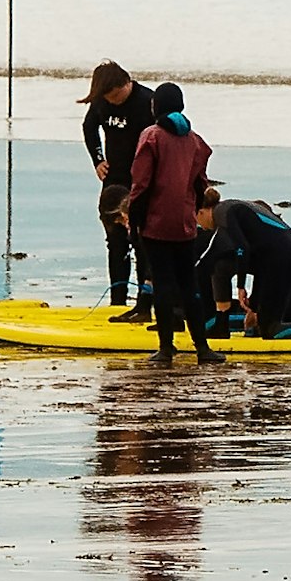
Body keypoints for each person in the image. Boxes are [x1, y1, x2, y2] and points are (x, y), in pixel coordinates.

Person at [125, 93, 216, 360]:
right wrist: (191, 209)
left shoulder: (151, 136)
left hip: (156, 223)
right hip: (185, 225)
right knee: (189, 285)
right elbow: (201, 183)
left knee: (163, 283)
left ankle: (166, 348)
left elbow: (140, 184)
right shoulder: (195, 140)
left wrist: (135, 223)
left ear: (156, 107)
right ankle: (202, 348)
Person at [85, 62, 169, 316]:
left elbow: (164, 142)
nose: (113, 101)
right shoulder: (101, 101)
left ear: (126, 84)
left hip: (143, 182)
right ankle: (118, 299)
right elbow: (89, 127)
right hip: (113, 181)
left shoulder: (148, 101)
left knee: (143, 242)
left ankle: (145, 304)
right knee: (116, 242)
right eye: (108, 98)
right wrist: (97, 160)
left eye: (116, 96)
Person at [201, 194, 291, 332]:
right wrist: (254, 306)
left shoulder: (281, 247)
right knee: (262, 320)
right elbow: (264, 274)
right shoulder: (277, 242)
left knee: (265, 325)